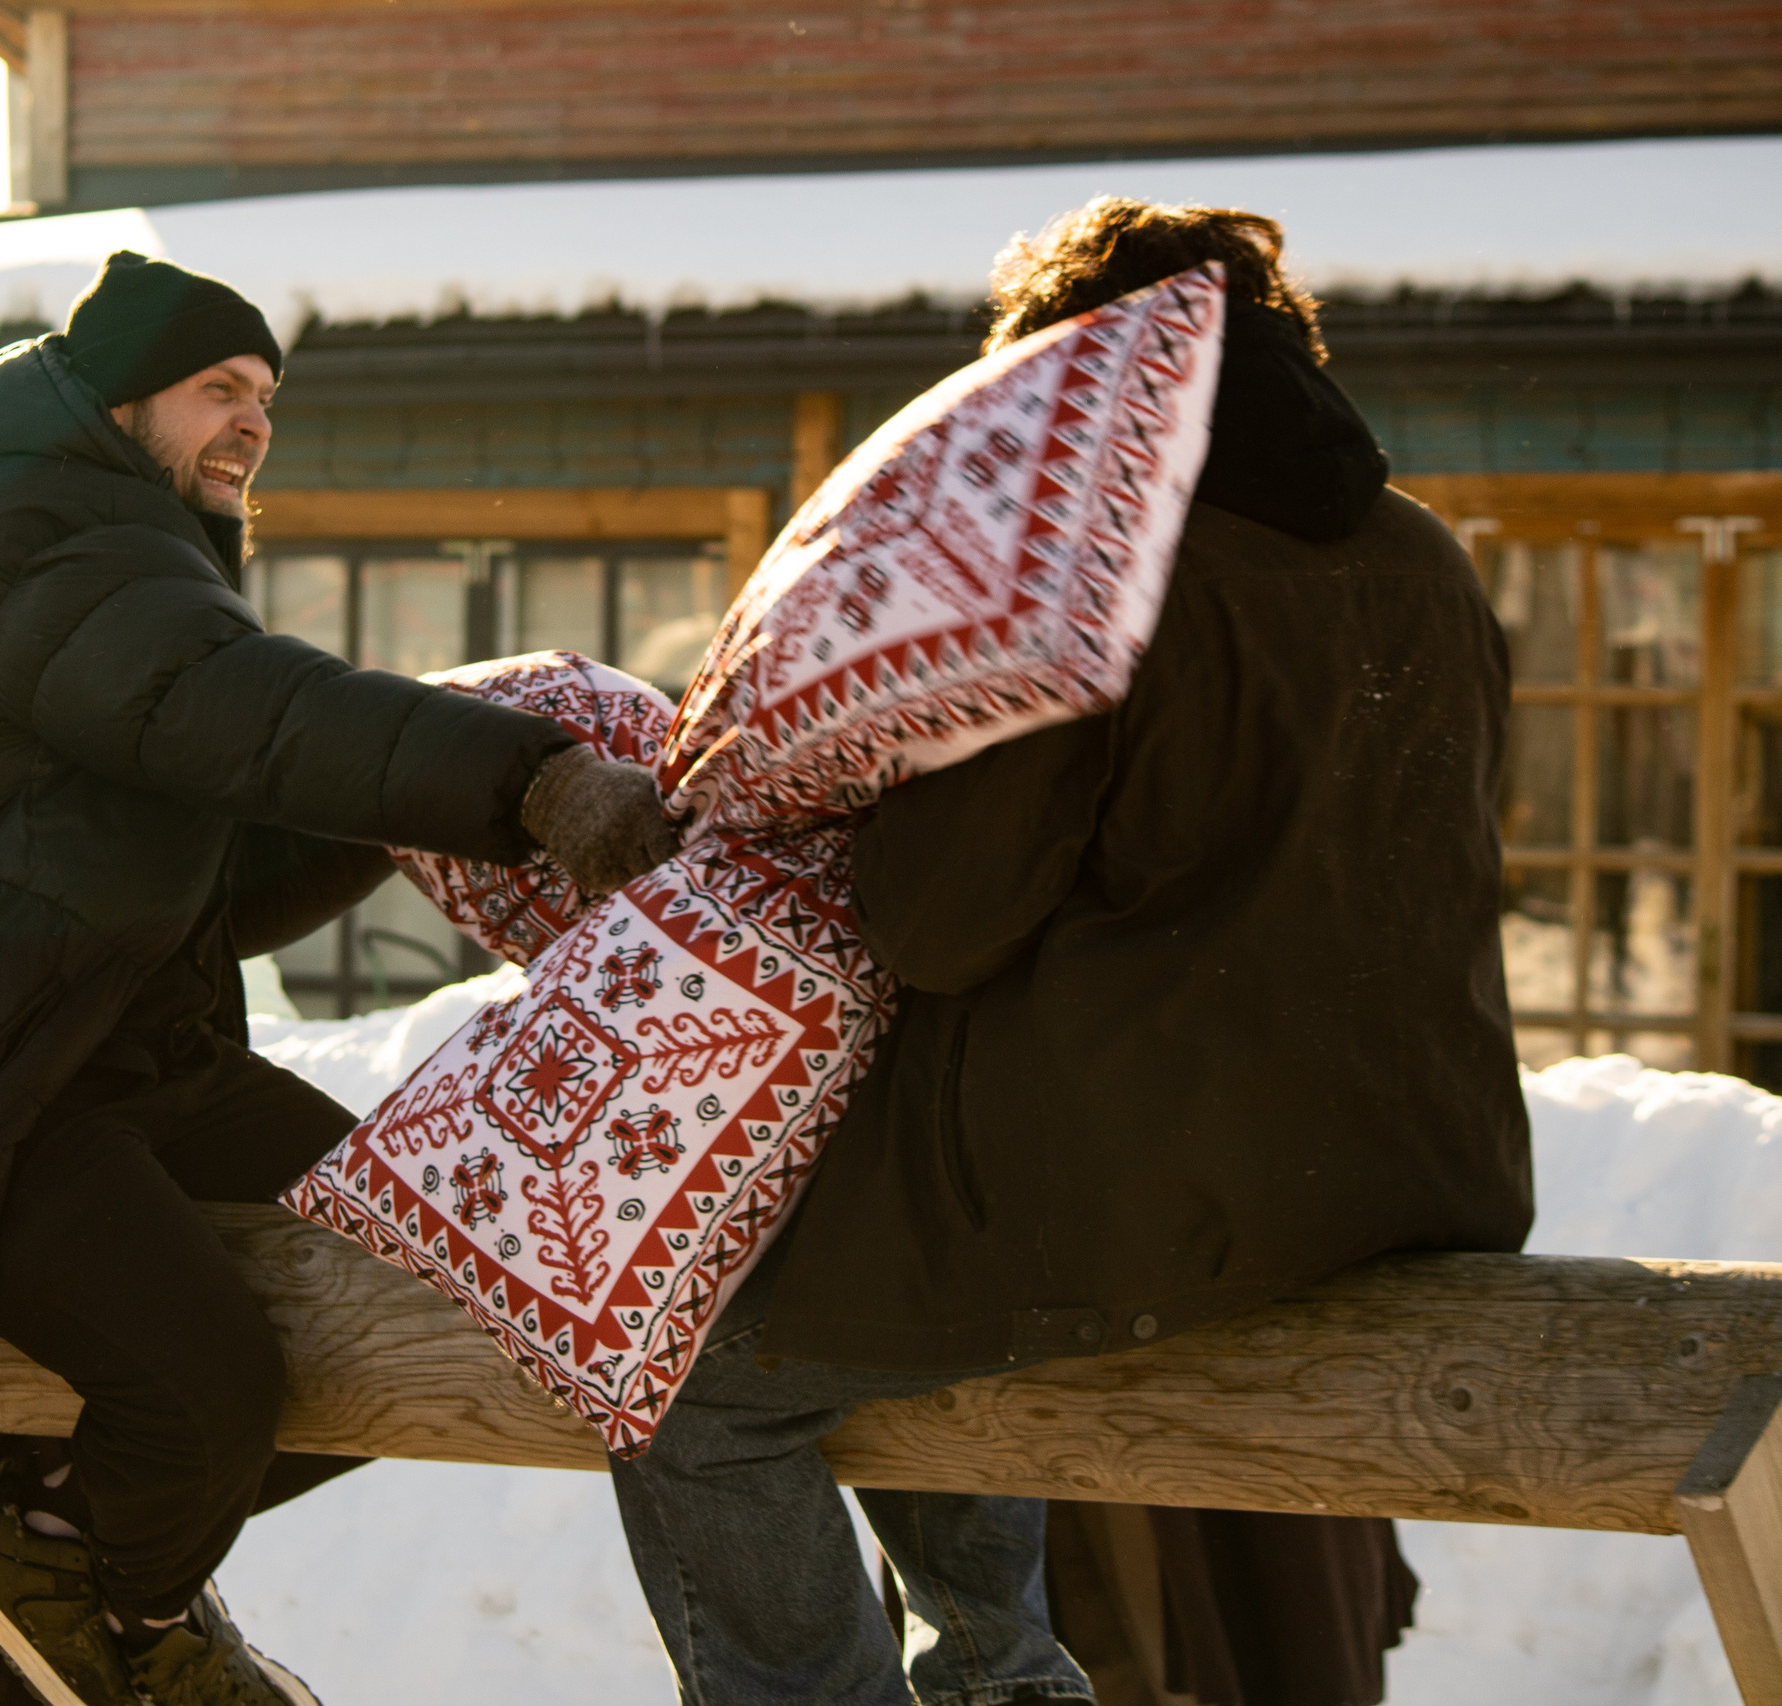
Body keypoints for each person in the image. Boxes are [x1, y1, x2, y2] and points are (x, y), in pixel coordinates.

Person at [0, 250, 676, 1706]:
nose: (251, 423)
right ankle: (130, 1618)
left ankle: (44, 1514)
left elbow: (202, 879)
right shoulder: (43, 534)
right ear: (119, 402)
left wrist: (388, 802)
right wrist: (532, 777)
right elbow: (234, 706)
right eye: (216, 391)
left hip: (89, 1050)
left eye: (265, 400)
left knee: (431, 1276)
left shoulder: (117, 565)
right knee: (209, 1382)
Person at [608, 197, 1535, 1706]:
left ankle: (978, 1680)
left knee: (688, 1384)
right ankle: (1000, 1682)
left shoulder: (1088, 576)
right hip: (1428, 1163)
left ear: (1067, 377)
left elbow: (941, 923)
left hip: (1160, 1188)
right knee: (894, 1290)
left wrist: (880, 777)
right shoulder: (1425, 552)